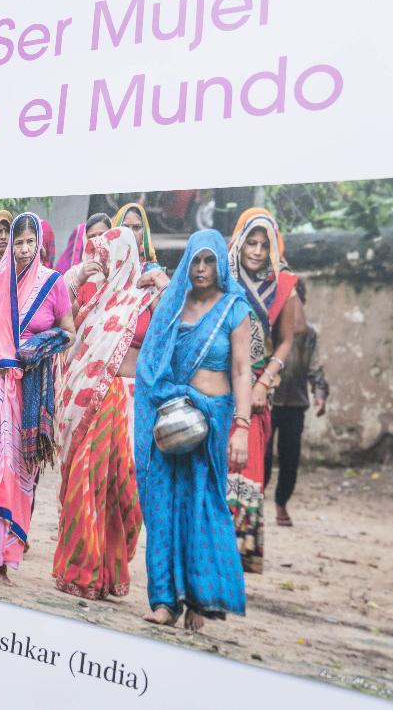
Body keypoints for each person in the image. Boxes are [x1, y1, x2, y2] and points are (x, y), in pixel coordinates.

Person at [135, 230, 264, 632]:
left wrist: (241, 427)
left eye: (209, 261)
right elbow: (151, 363)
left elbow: (242, 371)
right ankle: (164, 601)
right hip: (172, 416)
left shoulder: (234, 309)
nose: (202, 269)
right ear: (187, 265)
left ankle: (199, 599)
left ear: (220, 265)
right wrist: (168, 396)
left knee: (202, 505)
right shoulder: (174, 305)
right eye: (196, 261)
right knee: (162, 505)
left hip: (213, 419)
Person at [0, 213, 73, 585]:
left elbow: (68, 332)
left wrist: (36, 346)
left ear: (38, 243)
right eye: (17, 242)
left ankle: (2, 562)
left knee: (18, 475)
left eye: (28, 242)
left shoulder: (52, 283)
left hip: (32, 391)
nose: (22, 249)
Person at [52, 228, 159, 600]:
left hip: (133, 403)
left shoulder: (145, 299)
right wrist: (77, 274)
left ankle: (110, 569)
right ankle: (81, 570)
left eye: (106, 256)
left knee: (124, 493)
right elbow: (56, 319)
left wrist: (162, 283)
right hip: (94, 403)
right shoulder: (93, 301)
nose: (101, 264)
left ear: (124, 258)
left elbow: (178, 323)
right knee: (87, 482)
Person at [226, 207, 304, 573]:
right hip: (219, 384)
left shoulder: (285, 286)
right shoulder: (223, 277)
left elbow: (286, 340)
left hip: (257, 389)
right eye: (251, 242)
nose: (256, 251)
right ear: (239, 241)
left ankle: (234, 552)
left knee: (248, 464)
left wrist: (265, 381)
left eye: (263, 244)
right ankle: (208, 546)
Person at [266, 280, 329, 526]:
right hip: (269, 401)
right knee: (262, 458)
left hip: (295, 403)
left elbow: (315, 367)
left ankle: (281, 503)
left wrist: (319, 394)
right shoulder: (269, 328)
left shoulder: (308, 334)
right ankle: (255, 502)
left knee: (290, 459)